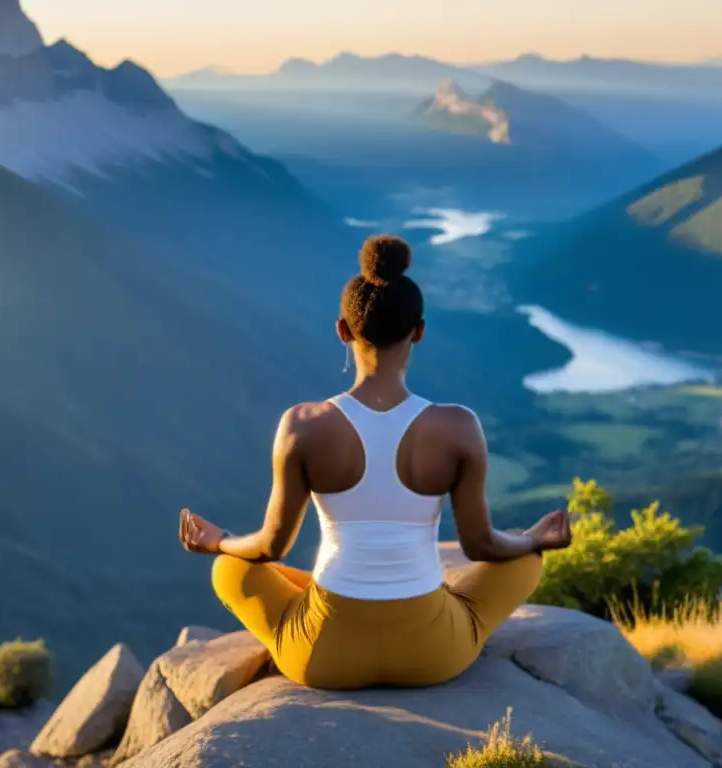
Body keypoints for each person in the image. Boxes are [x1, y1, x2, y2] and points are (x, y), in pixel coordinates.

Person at [178, 234, 572, 691]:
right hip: (433, 655)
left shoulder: (302, 424)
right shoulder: (458, 426)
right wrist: (531, 539)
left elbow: (270, 547)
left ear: (343, 330)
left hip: (323, 657)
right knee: (525, 562)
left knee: (230, 567)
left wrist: (221, 541)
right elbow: (483, 546)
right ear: (419, 331)